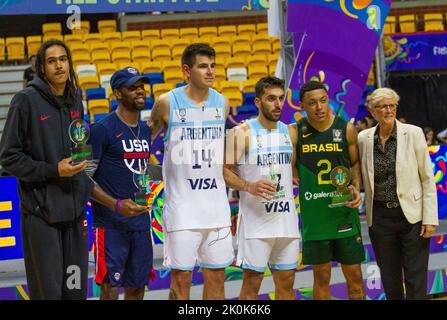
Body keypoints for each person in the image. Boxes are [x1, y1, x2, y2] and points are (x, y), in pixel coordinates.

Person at [0, 40, 147, 300]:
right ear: (42, 68)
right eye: (52, 60)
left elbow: (80, 160)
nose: (59, 65)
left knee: (75, 291)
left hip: (75, 215)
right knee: (50, 294)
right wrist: (52, 170)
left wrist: (108, 201)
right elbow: (8, 157)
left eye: (63, 59)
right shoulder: (25, 101)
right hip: (41, 214)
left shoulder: (75, 102)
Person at [148, 43, 234, 300]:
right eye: (202, 66)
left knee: (217, 278)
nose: (210, 71)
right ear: (187, 70)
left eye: (212, 65)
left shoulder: (223, 102)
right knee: (181, 280)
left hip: (216, 209)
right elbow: (143, 144)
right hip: (182, 210)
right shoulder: (166, 102)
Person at [223, 76, 300, 300]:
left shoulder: (290, 132)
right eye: (271, 99)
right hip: (257, 224)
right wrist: (248, 185)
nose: (277, 104)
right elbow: (224, 171)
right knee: (251, 286)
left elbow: (292, 170)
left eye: (280, 98)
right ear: (258, 102)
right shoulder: (241, 133)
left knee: (287, 285)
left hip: (286, 222)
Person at [359, 88, 438, 300]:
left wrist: (430, 218)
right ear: (373, 111)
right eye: (383, 106)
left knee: (415, 276)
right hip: (380, 218)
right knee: (390, 278)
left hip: (412, 216)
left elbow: (427, 178)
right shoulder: (363, 138)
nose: (389, 110)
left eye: (392, 105)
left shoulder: (413, 133)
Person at [292, 81, 365, 300]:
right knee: (321, 276)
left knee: (354, 276)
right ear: (302, 105)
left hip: (343, 212)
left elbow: (354, 163)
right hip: (315, 218)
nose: (319, 107)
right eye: (312, 103)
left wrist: (356, 187)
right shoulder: (296, 133)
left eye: (323, 101)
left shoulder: (346, 129)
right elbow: (288, 167)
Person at [88, 67, 153, 300]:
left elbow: (141, 172)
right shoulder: (100, 129)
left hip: (140, 224)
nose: (139, 91)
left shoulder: (145, 131)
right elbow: (83, 179)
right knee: (111, 288)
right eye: (132, 87)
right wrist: (116, 205)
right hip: (111, 225)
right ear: (117, 93)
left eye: (141, 86)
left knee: (137, 287)